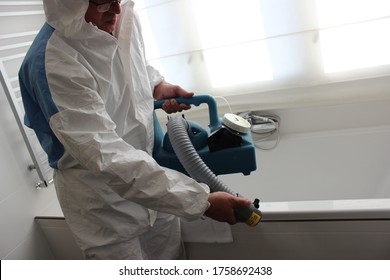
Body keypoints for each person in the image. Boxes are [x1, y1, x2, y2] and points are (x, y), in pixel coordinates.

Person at [19, 0, 251, 259]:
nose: (117, 11)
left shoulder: (121, 15)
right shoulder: (55, 62)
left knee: (170, 260)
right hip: (102, 201)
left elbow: (131, 61)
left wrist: (157, 85)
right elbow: (107, 155)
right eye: (104, 3)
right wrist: (201, 202)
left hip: (153, 176)